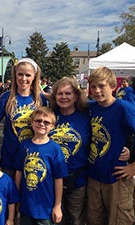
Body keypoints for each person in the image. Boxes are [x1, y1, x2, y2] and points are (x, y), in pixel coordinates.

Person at [87, 67, 135, 225]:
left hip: (116, 177)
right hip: (94, 177)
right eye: (93, 86)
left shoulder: (123, 108)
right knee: (94, 220)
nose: (97, 91)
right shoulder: (91, 107)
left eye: (101, 86)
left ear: (112, 86)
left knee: (119, 220)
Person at [0, 58, 48, 177]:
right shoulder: (7, 97)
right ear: (15, 75)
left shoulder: (41, 99)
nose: (23, 78)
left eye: (28, 75)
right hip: (10, 157)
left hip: (33, 158)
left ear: (34, 77)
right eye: (20, 74)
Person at [14, 106, 68, 224]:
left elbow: (58, 179)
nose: (42, 124)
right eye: (38, 120)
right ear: (32, 122)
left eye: (46, 122)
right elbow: (19, 173)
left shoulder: (55, 149)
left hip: (46, 208)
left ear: (52, 126)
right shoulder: (24, 145)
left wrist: (57, 206)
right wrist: (16, 197)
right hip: (26, 205)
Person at [48, 77, 90, 225]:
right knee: (53, 218)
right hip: (51, 178)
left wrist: (124, 148)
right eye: (60, 94)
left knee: (75, 219)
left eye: (68, 93)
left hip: (77, 178)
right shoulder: (49, 115)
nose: (63, 97)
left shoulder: (86, 114)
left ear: (76, 96)